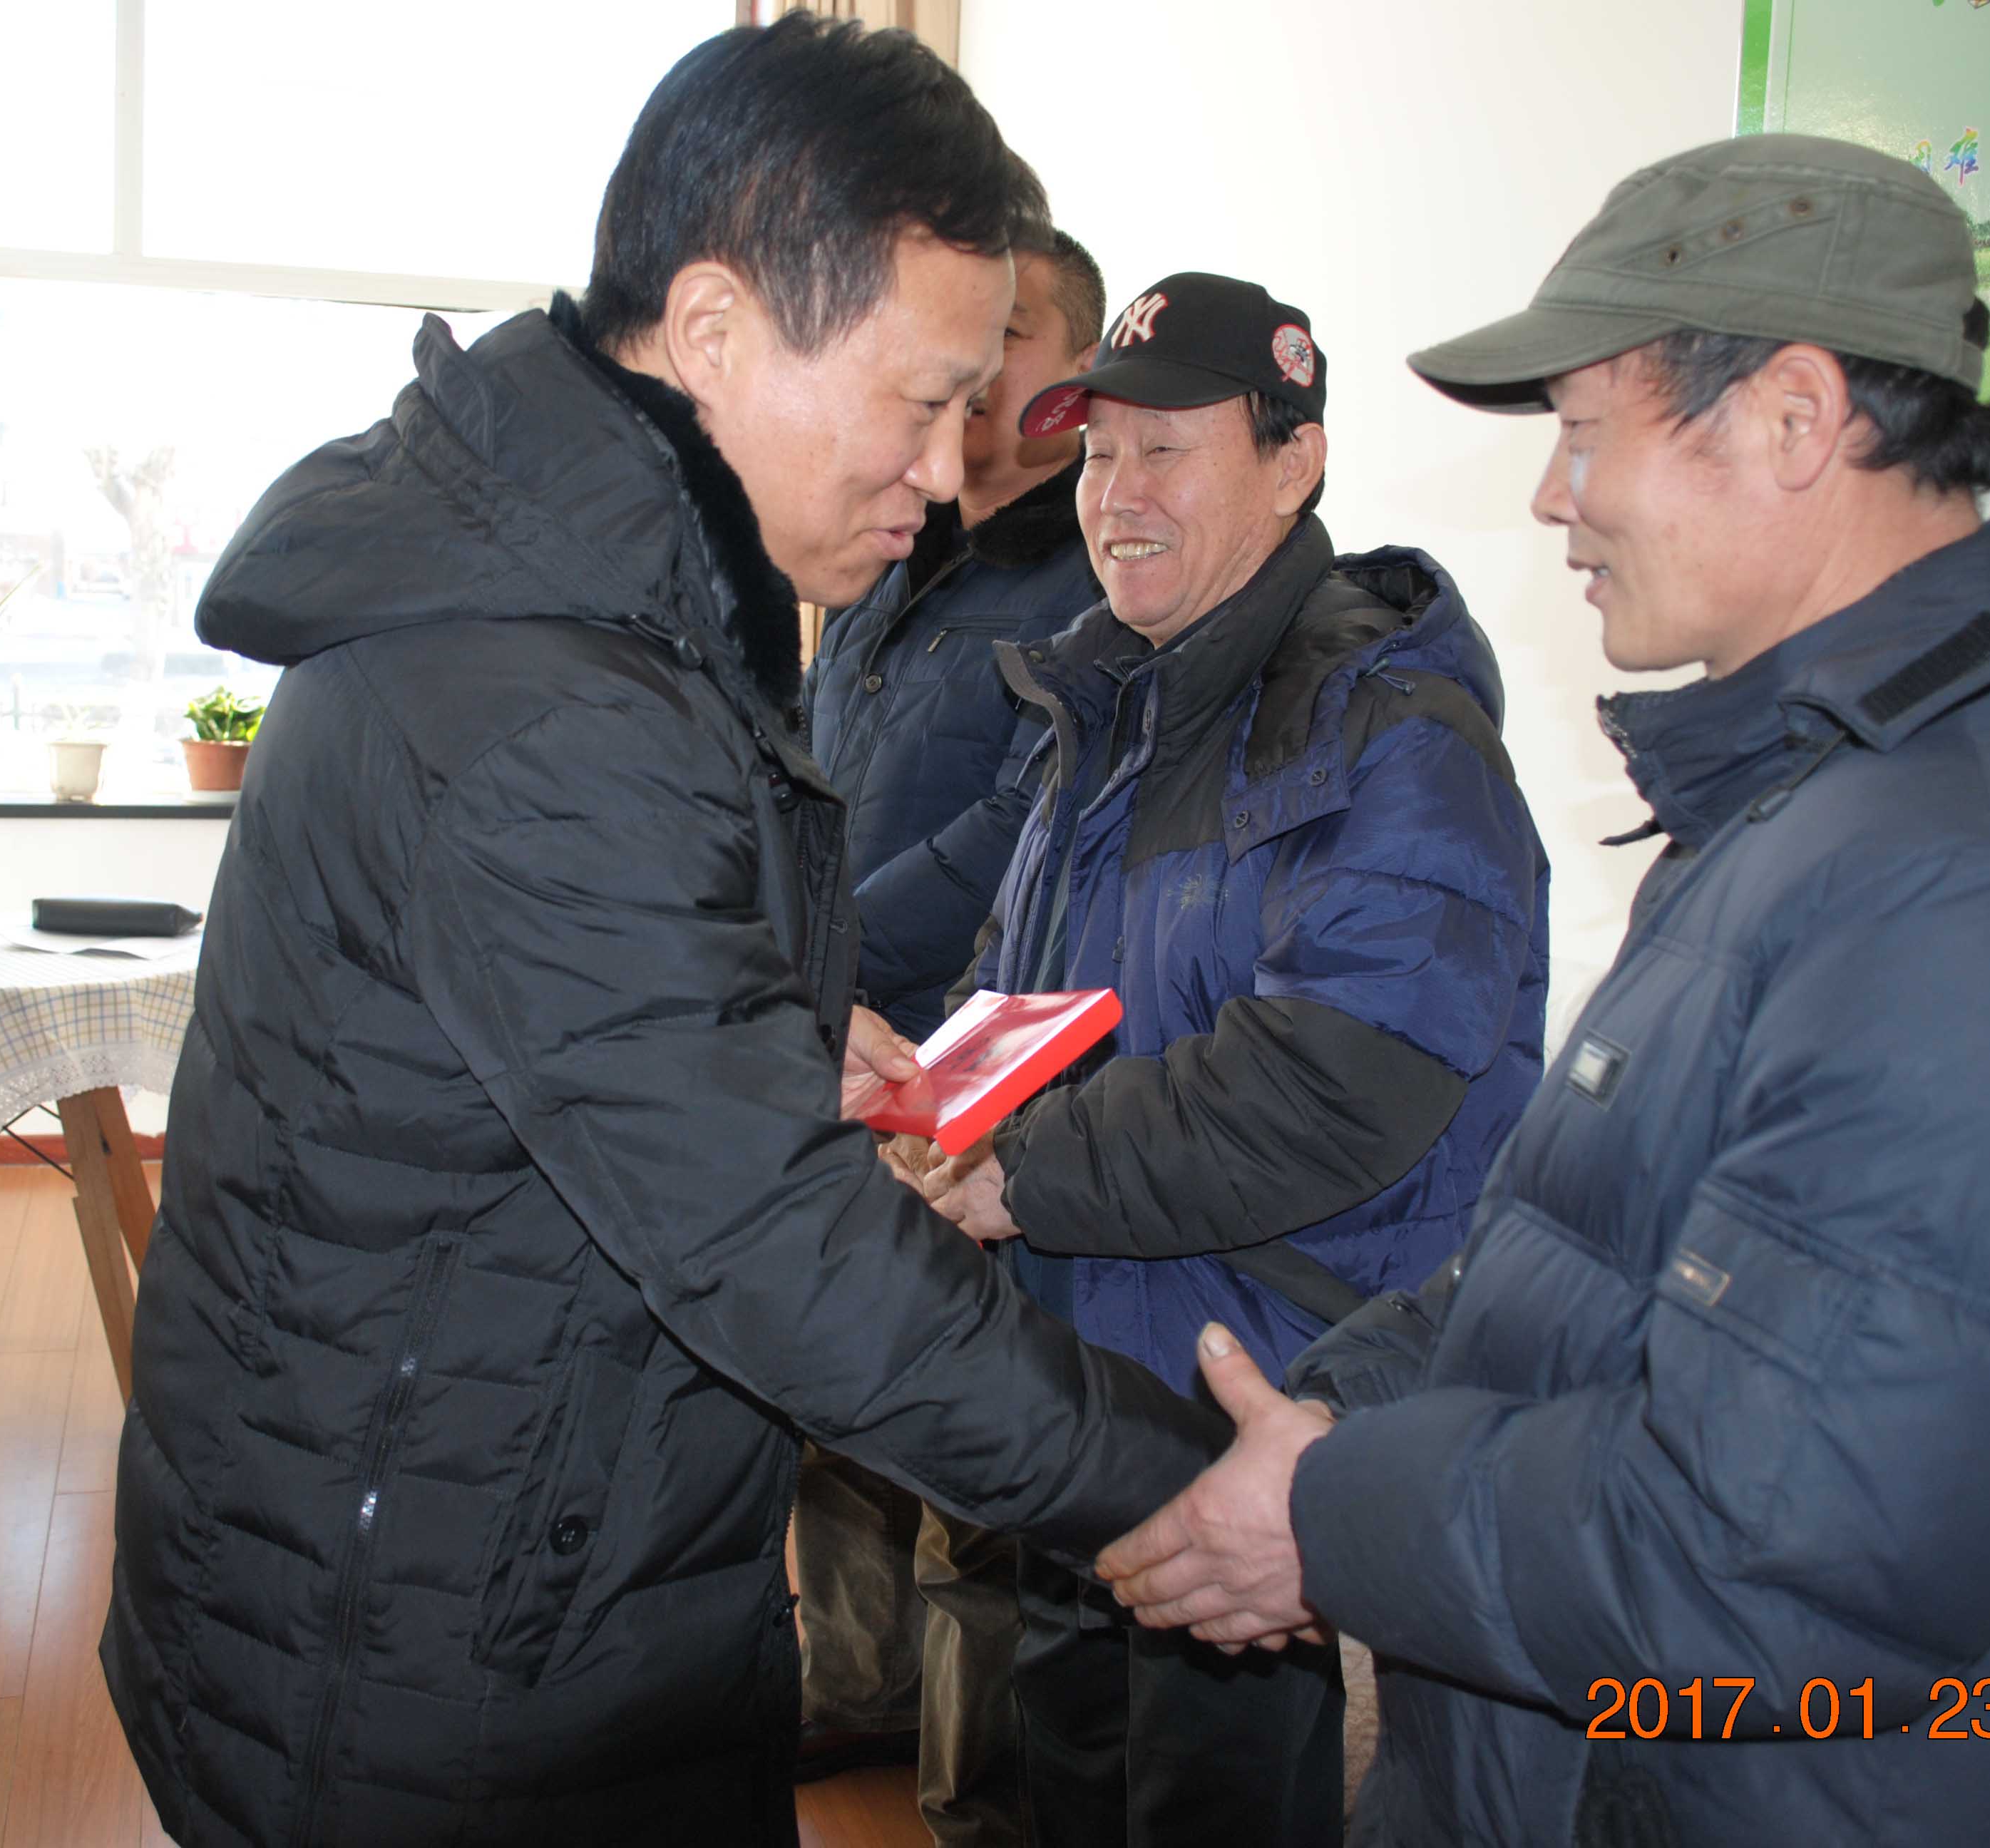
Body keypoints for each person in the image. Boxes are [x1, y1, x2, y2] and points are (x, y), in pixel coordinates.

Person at [98, 20, 1226, 1848]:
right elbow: (771, 1245)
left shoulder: (596, 594)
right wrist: (1187, 1492)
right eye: (921, 402)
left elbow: (551, 1032)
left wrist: (758, 1034)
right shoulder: (545, 700)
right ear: (713, 330)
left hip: (492, 1541)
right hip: (436, 1655)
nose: (947, 475)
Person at [1097, 134, 1990, 1848]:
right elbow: (1605, 1264)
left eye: (1585, 434)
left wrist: (1329, 1514)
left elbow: (1773, 1565)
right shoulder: (1823, 806)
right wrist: (1349, 1401)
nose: (1549, 499)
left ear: (1793, 420)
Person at [914, 273, 1550, 1847]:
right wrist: (930, 1103)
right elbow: (1024, 985)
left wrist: (1017, 1169)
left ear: (1294, 461)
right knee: (1065, 1785)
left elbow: (1333, 1079)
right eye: (1095, 455)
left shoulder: (1389, 732)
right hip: (1078, 1380)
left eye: (1165, 450)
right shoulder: (1108, 707)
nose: (1115, 495)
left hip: (1252, 1393)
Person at [790, 229, 1106, 1840]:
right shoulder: (892, 546)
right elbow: (809, 768)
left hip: (975, 1065)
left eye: (1015, 336)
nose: (979, 378)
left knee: (966, 1449)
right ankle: (852, 1687)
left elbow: (1016, 830)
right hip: (833, 1047)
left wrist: (818, 950)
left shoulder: (1094, 574)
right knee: (832, 1403)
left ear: (1081, 372)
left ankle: (972, 1783)